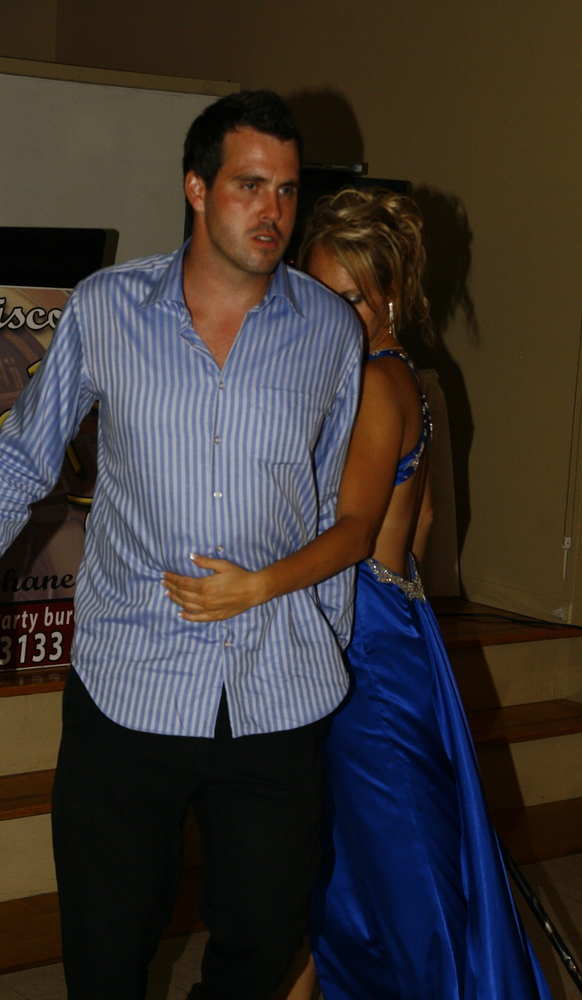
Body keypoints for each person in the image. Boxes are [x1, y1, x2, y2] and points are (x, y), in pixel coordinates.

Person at [0, 92, 363, 1000]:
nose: (273, 210)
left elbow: (328, 497)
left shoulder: (329, 329)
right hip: (131, 680)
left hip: (275, 688)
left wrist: (328, 636)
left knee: (265, 934)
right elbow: (22, 460)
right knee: (106, 943)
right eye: (249, 185)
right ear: (197, 188)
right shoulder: (106, 308)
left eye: (287, 190)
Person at [164, 187, 553, 1000]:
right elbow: (423, 522)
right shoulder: (397, 376)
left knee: (400, 867)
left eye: (350, 298)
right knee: (346, 859)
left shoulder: (377, 383)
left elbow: (352, 532)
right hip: (387, 626)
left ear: (392, 295)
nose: (329, 313)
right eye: (316, 292)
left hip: (365, 647)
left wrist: (255, 586)